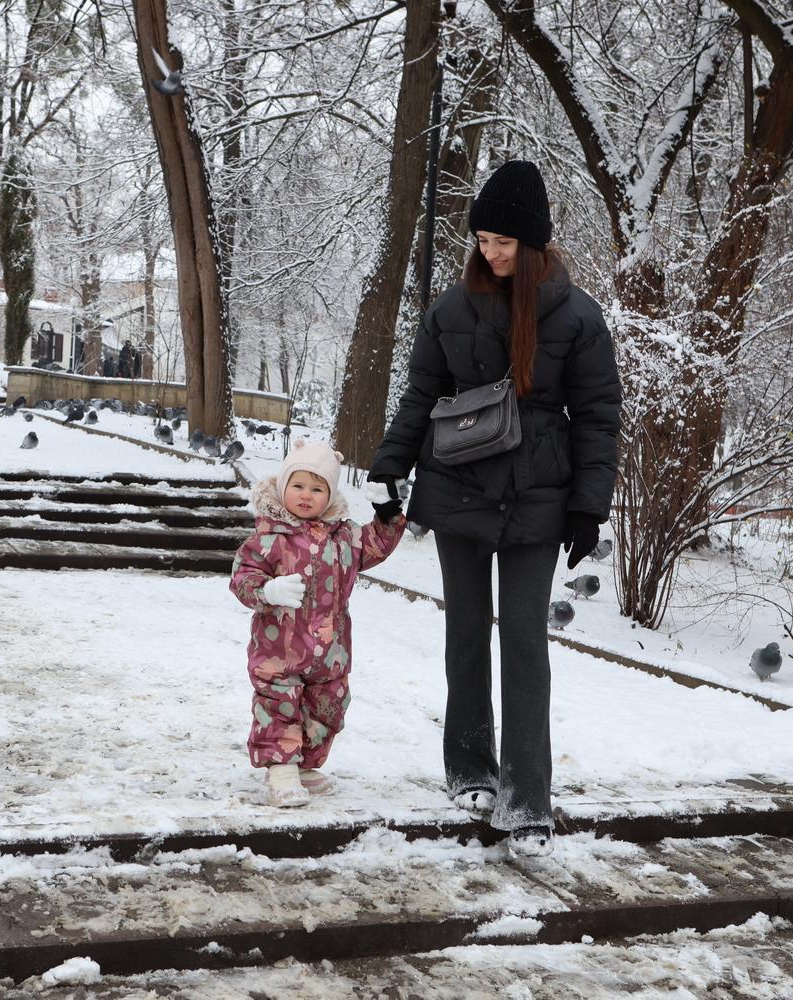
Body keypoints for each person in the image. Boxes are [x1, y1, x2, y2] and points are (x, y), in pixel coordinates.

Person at [368, 159, 622, 859]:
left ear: (534, 242)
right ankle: (469, 768)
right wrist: (390, 464)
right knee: (467, 637)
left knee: (525, 645)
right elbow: (420, 396)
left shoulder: (577, 315)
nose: (491, 252)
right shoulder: (452, 308)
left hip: (538, 500)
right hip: (459, 490)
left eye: (504, 241)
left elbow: (599, 415)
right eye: (482, 240)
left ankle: (528, 800)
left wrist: (588, 506)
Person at [229, 440, 406, 807]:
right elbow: (242, 578)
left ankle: (305, 764)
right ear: (283, 487)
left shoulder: (344, 537)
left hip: (330, 652)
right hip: (279, 650)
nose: (306, 495)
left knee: (328, 707)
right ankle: (281, 769)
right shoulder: (268, 537)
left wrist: (387, 514)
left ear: (330, 494)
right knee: (279, 704)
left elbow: (376, 544)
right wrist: (268, 590)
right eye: (298, 486)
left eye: (317, 488)